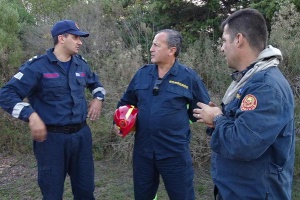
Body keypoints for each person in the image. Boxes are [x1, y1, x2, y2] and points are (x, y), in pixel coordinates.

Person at [193, 8, 295, 200]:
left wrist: (216, 118)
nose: (222, 48)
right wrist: (218, 120)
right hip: (238, 190)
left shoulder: (265, 87)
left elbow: (243, 144)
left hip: (254, 193)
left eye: (224, 40)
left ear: (238, 39)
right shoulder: (250, 80)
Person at [0, 20, 106, 199]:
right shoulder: (37, 67)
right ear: (61, 38)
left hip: (81, 136)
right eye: (75, 37)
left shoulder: (81, 64)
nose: (80, 42)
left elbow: (96, 85)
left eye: (80, 38)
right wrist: (31, 115)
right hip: (51, 141)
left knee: (86, 191)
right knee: (52, 193)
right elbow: (6, 94)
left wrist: (98, 98)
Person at [114, 29, 210, 200]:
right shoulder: (142, 74)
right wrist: (119, 122)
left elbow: (201, 109)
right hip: (143, 152)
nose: (151, 48)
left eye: (156, 45)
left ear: (171, 50)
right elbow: (126, 102)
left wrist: (174, 125)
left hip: (174, 153)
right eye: (152, 44)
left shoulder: (188, 77)